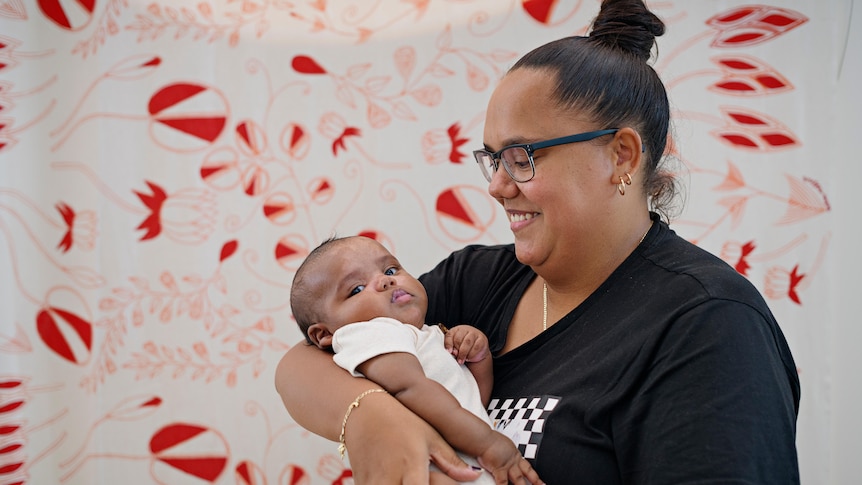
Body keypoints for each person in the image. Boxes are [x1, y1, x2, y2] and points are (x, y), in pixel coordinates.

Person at [275, 0, 801, 483]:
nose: (497, 186)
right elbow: (301, 364)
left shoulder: (709, 326)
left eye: (523, 155)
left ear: (621, 155)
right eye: (493, 158)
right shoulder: (477, 280)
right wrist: (369, 417)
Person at [289, 235, 543, 485]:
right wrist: (488, 442)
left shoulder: (422, 334)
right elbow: (410, 388)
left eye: (390, 269)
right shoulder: (369, 332)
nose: (385, 281)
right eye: (356, 289)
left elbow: (472, 402)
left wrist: (478, 358)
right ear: (325, 334)